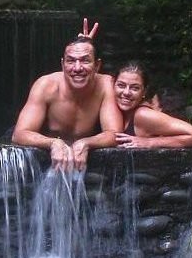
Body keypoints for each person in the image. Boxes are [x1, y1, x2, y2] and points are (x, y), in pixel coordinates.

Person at [12, 20, 122, 170]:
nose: (77, 68)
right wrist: (53, 143)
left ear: (97, 65)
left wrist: (86, 143)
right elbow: (19, 134)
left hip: (85, 158)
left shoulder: (106, 85)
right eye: (71, 61)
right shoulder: (46, 85)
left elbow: (114, 134)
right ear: (63, 64)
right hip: (45, 156)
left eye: (85, 60)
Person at [112, 62, 192, 149]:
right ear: (112, 84)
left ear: (144, 91)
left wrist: (149, 142)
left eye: (135, 88)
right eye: (121, 85)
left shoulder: (143, 115)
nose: (126, 92)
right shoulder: (112, 110)